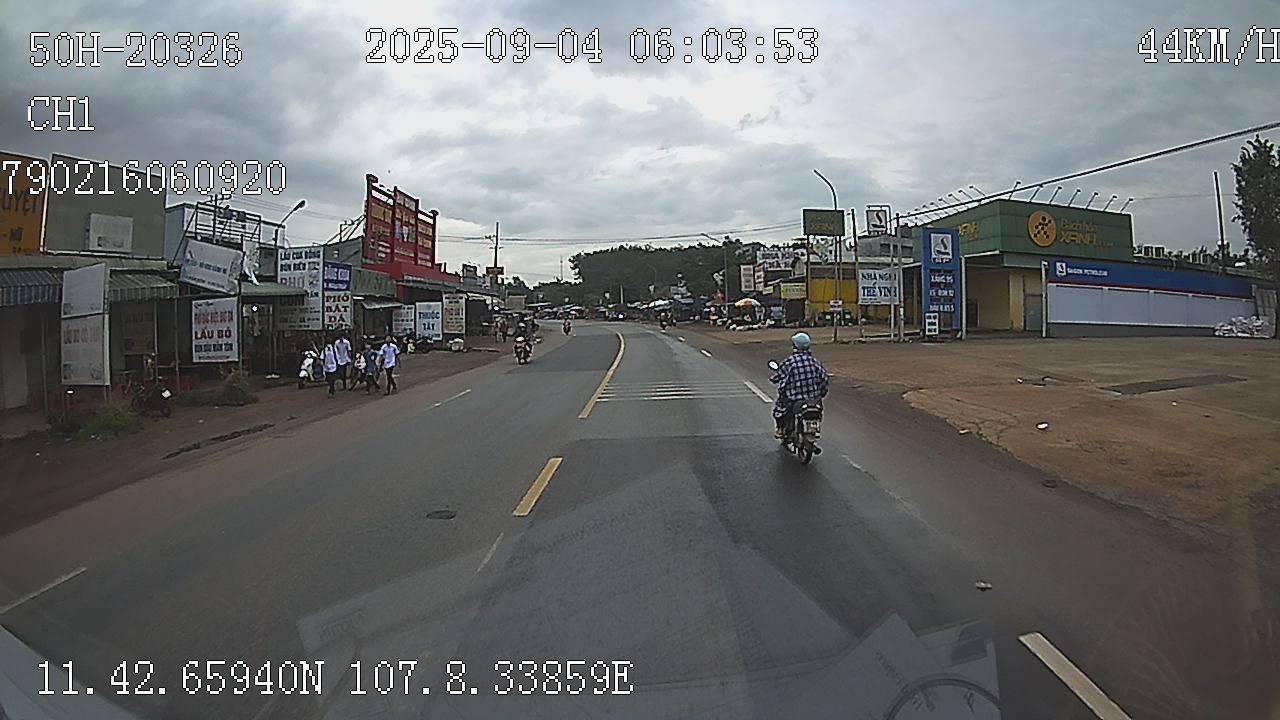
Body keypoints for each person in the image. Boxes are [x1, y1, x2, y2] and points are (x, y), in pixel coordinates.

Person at [771, 332, 829, 439]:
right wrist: (821, 393)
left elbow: (779, 375)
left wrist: (774, 379)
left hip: (794, 399)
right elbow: (824, 379)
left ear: (795, 346)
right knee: (819, 409)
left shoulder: (790, 362)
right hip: (813, 399)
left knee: (780, 408)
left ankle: (780, 429)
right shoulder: (815, 362)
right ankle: (814, 428)